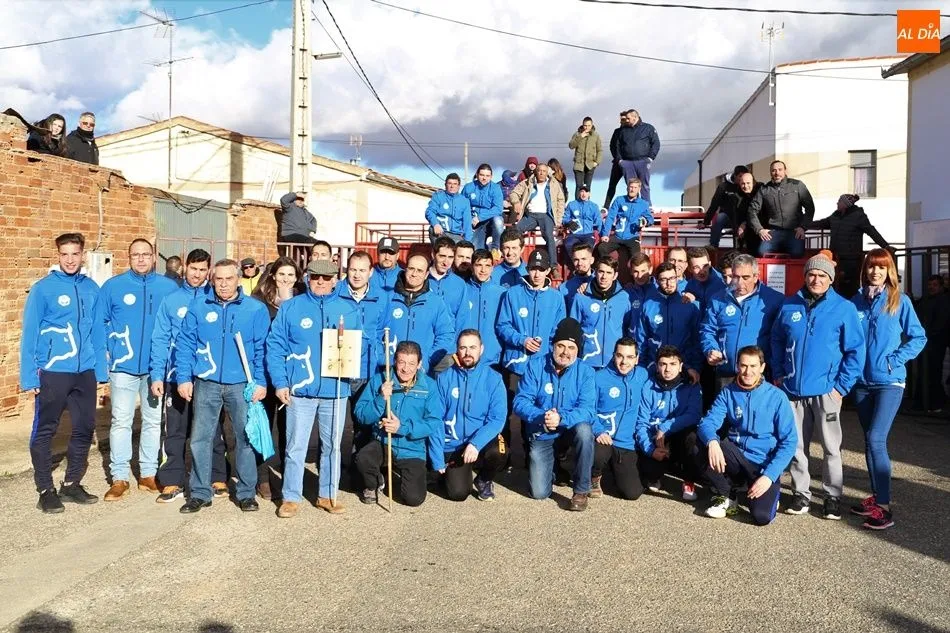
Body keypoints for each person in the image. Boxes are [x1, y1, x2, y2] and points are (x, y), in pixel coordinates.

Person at [770, 253, 865, 520]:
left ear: (830, 280)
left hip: (826, 392)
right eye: (812, 274)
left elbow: (856, 351)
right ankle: (801, 494)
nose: (816, 279)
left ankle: (832, 496)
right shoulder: (790, 305)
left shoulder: (843, 308)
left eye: (822, 276)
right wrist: (779, 374)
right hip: (791, 391)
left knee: (831, 448)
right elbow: (776, 340)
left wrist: (840, 387)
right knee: (796, 446)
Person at [266, 259, 360, 517]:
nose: (321, 282)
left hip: (336, 389)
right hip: (301, 390)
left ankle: (327, 495)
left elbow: (360, 346)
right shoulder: (292, 307)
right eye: (316, 276)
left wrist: (353, 374)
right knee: (295, 445)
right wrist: (281, 382)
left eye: (327, 278)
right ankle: (291, 496)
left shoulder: (348, 310)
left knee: (332, 445)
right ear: (307, 277)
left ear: (335, 279)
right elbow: (275, 346)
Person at [175, 259, 271, 514]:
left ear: (238, 279)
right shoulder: (198, 305)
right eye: (219, 279)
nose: (224, 284)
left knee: (245, 439)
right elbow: (185, 343)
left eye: (229, 278)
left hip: (241, 384)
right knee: (200, 439)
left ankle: (246, 493)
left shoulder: (254, 309)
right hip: (206, 383)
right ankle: (199, 492)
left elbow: (262, 348)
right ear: (212, 279)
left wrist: (260, 382)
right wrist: (184, 377)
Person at [21, 233, 107, 513]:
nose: (70, 259)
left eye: (75, 254)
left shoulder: (92, 288)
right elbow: (30, 334)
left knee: (84, 427)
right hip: (54, 371)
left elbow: (97, 332)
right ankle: (45, 489)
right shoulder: (43, 289)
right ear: (57, 256)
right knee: (45, 429)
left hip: (85, 372)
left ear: (83, 255)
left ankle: (71, 485)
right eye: (64, 254)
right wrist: (30, 376)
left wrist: (100, 370)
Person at [849, 249, 926, 530]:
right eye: (871, 267)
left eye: (881, 268)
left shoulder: (899, 301)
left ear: (889, 271)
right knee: (869, 441)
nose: (875, 272)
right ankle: (876, 495)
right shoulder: (855, 302)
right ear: (865, 269)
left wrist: (895, 359)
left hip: (889, 382)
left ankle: (884, 506)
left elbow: (919, 337)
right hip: (862, 383)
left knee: (876, 438)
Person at [100, 239, 179, 501]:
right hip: (123, 366)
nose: (142, 259)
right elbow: (99, 323)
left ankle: (147, 473)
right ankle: (120, 477)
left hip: (156, 368)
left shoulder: (168, 287)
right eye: (136, 255)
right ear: (129, 257)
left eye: (146, 254)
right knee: (121, 420)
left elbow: (177, 323)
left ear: (154, 257)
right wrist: (108, 354)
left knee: (153, 421)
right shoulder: (113, 286)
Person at [150, 249, 229, 503]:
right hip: (176, 377)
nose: (197, 274)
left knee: (213, 429)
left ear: (209, 271)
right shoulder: (171, 300)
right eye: (193, 269)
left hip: (208, 378)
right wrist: (157, 375)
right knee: (175, 429)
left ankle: (217, 475)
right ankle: (172, 479)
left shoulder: (216, 299)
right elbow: (160, 338)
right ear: (185, 268)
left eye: (202, 269)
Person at [695, 346, 797, 525]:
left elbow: (789, 442)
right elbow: (707, 423)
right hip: (737, 457)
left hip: (763, 465)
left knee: (761, 517)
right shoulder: (728, 392)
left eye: (753, 366)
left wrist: (769, 476)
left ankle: (764, 492)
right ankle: (728, 494)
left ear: (762, 367)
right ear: (737, 366)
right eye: (743, 366)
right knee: (699, 442)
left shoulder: (777, 397)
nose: (747, 371)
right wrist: (712, 442)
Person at [514, 318, 596, 511]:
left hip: (569, 429)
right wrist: (542, 416)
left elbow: (588, 410)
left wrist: (562, 419)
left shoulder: (585, 372)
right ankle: (551, 471)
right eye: (560, 345)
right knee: (539, 493)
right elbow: (520, 402)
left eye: (571, 347)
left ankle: (581, 490)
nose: (565, 352)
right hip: (543, 430)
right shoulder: (535, 366)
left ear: (578, 350)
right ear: (552, 345)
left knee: (585, 431)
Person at [353, 341, 441, 507]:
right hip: (383, 442)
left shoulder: (429, 386)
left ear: (419, 364)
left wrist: (402, 428)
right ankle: (375, 482)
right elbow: (361, 415)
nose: (405, 369)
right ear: (394, 361)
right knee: (363, 459)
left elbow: (433, 423)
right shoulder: (379, 380)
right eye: (401, 362)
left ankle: (398, 475)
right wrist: (381, 398)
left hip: (412, 448)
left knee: (413, 499)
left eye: (411, 364)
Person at [432, 330, 508, 501]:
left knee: (500, 451)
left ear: (481, 349)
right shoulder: (444, 379)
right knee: (458, 493)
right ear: (457, 350)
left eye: (472, 347)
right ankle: (447, 474)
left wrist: (476, 443)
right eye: (463, 348)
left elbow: (497, 419)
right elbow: (435, 419)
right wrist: (437, 458)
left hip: (479, 440)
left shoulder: (493, 378)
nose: (467, 353)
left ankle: (484, 479)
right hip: (454, 443)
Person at [250, 256, 303, 500]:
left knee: (287, 429)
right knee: (264, 427)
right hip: (264, 374)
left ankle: (286, 478)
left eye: (291, 275)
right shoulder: (260, 302)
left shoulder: (302, 301)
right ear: (273, 275)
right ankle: (262, 478)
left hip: (290, 375)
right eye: (282, 274)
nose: (286, 279)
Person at [700, 254, 783, 391]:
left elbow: (780, 337)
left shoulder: (772, 300)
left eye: (745, 277)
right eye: (736, 277)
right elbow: (707, 329)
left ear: (756, 276)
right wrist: (710, 349)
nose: (739, 283)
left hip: (757, 375)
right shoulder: (718, 299)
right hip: (725, 373)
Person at [635, 345, 702, 501]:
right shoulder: (648, 386)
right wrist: (650, 450)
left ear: (680, 367)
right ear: (657, 367)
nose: (667, 369)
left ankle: (688, 481)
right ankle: (656, 474)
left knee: (691, 437)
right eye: (663, 364)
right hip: (655, 439)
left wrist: (665, 428)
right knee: (649, 470)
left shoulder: (691, 385)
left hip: (677, 437)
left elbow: (694, 415)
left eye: (672, 364)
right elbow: (641, 423)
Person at [591, 338, 650, 500]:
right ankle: (594, 477)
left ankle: (613, 471)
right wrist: (598, 430)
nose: (624, 362)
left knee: (632, 493)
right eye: (620, 356)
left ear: (637, 359)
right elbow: (588, 410)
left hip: (626, 442)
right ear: (613, 355)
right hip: (602, 438)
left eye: (630, 357)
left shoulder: (643, 375)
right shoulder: (598, 377)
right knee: (598, 455)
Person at [809, 194, 893, 299]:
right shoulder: (836, 215)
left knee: (850, 287)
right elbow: (821, 223)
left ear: (845, 204)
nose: (837, 203)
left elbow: (871, 231)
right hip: (836, 258)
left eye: (839, 201)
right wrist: (803, 225)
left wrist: (885, 246)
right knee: (834, 284)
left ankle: (852, 307)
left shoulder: (858, 216)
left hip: (852, 260)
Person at [498, 249, 567, 376]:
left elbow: (558, 333)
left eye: (541, 270)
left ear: (547, 271)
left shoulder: (557, 297)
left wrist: (550, 356)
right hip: (515, 364)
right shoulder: (512, 294)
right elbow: (502, 326)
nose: (537, 274)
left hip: (544, 367)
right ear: (527, 269)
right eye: (533, 269)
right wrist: (522, 340)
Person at [383, 253, 455, 372]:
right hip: (390, 368)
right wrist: (385, 359)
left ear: (426, 274)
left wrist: (427, 360)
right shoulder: (388, 298)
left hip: (421, 370)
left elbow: (446, 335)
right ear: (405, 269)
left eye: (419, 270)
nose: (414, 274)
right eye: (411, 269)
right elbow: (376, 331)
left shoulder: (435, 302)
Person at [633, 262, 701, 380]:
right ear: (657, 281)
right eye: (664, 279)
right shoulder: (648, 306)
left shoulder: (689, 305)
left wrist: (694, 366)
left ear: (677, 278)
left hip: (684, 367)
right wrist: (642, 367)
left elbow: (696, 339)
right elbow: (641, 339)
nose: (669, 283)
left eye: (672, 278)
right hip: (655, 368)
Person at [569, 257, 632, 369]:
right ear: (596, 272)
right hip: (587, 361)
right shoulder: (581, 297)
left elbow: (628, 327)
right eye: (601, 272)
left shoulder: (624, 298)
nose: (604, 277)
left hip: (615, 362)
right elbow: (573, 328)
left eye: (608, 273)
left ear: (615, 275)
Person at [747, 160, 815, 258]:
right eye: (774, 170)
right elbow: (752, 210)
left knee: (797, 254)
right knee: (762, 252)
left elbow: (810, 208)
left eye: (780, 170)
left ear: (785, 171)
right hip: (773, 232)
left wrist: (803, 227)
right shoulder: (765, 189)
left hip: (794, 232)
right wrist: (759, 229)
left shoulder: (797, 185)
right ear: (770, 172)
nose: (777, 173)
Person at [511, 163, 566, 280]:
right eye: (539, 171)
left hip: (546, 215)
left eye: (544, 171)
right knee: (515, 231)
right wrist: (516, 202)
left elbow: (561, 200)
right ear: (536, 172)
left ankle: (553, 267)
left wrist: (559, 218)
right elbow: (514, 193)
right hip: (530, 215)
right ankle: (514, 260)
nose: (541, 173)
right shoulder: (527, 182)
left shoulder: (554, 184)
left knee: (550, 237)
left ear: (547, 173)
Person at [461, 249, 505, 366]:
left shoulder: (502, 293)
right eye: (479, 265)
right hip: (466, 356)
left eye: (487, 265)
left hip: (493, 359)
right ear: (471, 266)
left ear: (492, 267)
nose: (483, 270)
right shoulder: (462, 290)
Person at [915, 274, 949, 411]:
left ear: (941, 286)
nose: (931, 287)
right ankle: (926, 402)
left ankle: (935, 402)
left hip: (936, 342)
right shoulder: (927, 299)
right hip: (926, 342)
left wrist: (930, 335)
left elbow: (941, 322)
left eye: (935, 285)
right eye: (930, 285)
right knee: (926, 372)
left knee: (934, 372)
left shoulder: (943, 301)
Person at [600, 179, 653, 261]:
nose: (632, 189)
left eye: (635, 187)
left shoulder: (643, 204)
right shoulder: (619, 200)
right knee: (601, 248)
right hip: (618, 236)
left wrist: (645, 221)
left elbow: (650, 219)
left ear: (639, 189)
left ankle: (632, 273)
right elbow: (610, 217)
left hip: (632, 237)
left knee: (637, 259)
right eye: (631, 187)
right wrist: (605, 234)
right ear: (627, 188)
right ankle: (611, 267)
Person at [617, 110, 660, 203]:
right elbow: (617, 146)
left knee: (644, 185)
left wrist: (650, 158)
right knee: (631, 186)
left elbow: (656, 143)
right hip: (627, 163)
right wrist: (620, 161)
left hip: (643, 162)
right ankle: (632, 206)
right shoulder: (623, 130)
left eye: (628, 118)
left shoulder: (648, 128)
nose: (626, 120)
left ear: (635, 117)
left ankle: (646, 207)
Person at [701, 165, 749, 248]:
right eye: (740, 176)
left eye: (744, 177)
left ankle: (745, 247)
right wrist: (706, 221)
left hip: (742, 217)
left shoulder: (746, 186)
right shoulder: (723, 187)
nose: (742, 180)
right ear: (735, 175)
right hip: (727, 216)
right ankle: (713, 245)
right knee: (720, 218)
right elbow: (714, 204)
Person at [428, 237, 468, 332]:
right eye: (442, 256)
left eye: (450, 257)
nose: (446, 262)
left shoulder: (459, 284)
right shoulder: (421, 279)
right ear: (433, 255)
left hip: (449, 341)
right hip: (424, 339)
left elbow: (462, 318)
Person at [463, 164, 504, 250]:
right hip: (474, 223)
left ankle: (496, 248)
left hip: (490, 221)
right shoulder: (468, 187)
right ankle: (483, 249)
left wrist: (480, 217)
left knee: (498, 221)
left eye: (487, 176)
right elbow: (462, 206)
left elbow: (498, 209)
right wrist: (469, 219)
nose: (484, 178)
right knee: (475, 248)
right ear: (477, 175)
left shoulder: (495, 188)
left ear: (491, 177)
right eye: (482, 175)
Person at [425, 173, 472, 244]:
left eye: (455, 184)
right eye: (449, 183)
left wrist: (468, 243)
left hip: (456, 236)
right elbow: (429, 211)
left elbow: (467, 223)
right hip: (441, 233)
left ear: (459, 186)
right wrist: (435, 224)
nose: (452, 186)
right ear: (445, 184)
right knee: (432, 229)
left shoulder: (465, 201)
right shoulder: (438, 196)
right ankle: (438, 253)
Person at [561, 185, 600, 262]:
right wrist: (569, 222)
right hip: (574, 234)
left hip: (588, 234)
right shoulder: (572, 204)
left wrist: (596, 231)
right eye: (582, 191)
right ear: (579, 193)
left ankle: (586, 266)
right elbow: (564, 218)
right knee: (568, 244)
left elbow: (598, 221)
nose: (583, 194)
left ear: (589, 194)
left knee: (588, 248)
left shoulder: (594, 206)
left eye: (586, 191)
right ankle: (576, 264)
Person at [682, 247, 726, 312]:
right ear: (689, 269)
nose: (702, 271)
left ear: (710, 264)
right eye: (696, 267)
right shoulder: (691, 284)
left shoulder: (722, 282)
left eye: (705, 266)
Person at [568, 116, 602, 200]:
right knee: (579, 186)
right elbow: (571, 146)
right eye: (585, 125)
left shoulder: (596, 135)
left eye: (589, 125)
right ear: (582, 125)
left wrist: (597, 162)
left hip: (590, 165)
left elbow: (600, 150)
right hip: (579, 165)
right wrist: (580, 136)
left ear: (592, 125)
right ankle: (577, 206)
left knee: (587, 186)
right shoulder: (577, 134)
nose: (587, 127)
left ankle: (586, 205)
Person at [560, 242, 595, 313]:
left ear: (591, 260)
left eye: (583, 259)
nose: (579, 263)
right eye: (576, 260)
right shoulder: (563, 288)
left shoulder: (603, 283)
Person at [603, 111, 628, 209]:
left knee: (632, 185)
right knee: (612, 185)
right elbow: (612, 145)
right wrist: (617, 158)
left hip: (628, 163)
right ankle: (606, 206)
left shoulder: (631, 132)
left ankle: (635, 205)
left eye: (624, 119)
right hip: (617, 163)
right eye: (621, 119)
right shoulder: (616, 131)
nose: (622, 121)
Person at [626, 252, 655, 328]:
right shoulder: (626, 293)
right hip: (633, 339)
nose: (640, 276)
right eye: (636, 271)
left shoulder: (659, 291)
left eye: (643, 271)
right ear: (631, 272)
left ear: (650, 270)